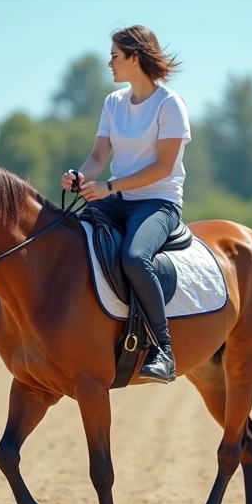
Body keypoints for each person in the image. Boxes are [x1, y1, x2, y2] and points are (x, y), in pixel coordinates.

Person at [61, 24, 191, 384]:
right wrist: (79, 176)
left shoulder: (170, 105)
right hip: (114, 198)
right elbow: (98, 156)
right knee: (67, 237)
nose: (110, 64)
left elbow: (163, 167)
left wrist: (110, 187)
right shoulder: (113, 103)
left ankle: (163, 349)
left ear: (134, 58)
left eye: (115, 57)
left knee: (134, 257)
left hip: (158, 203)